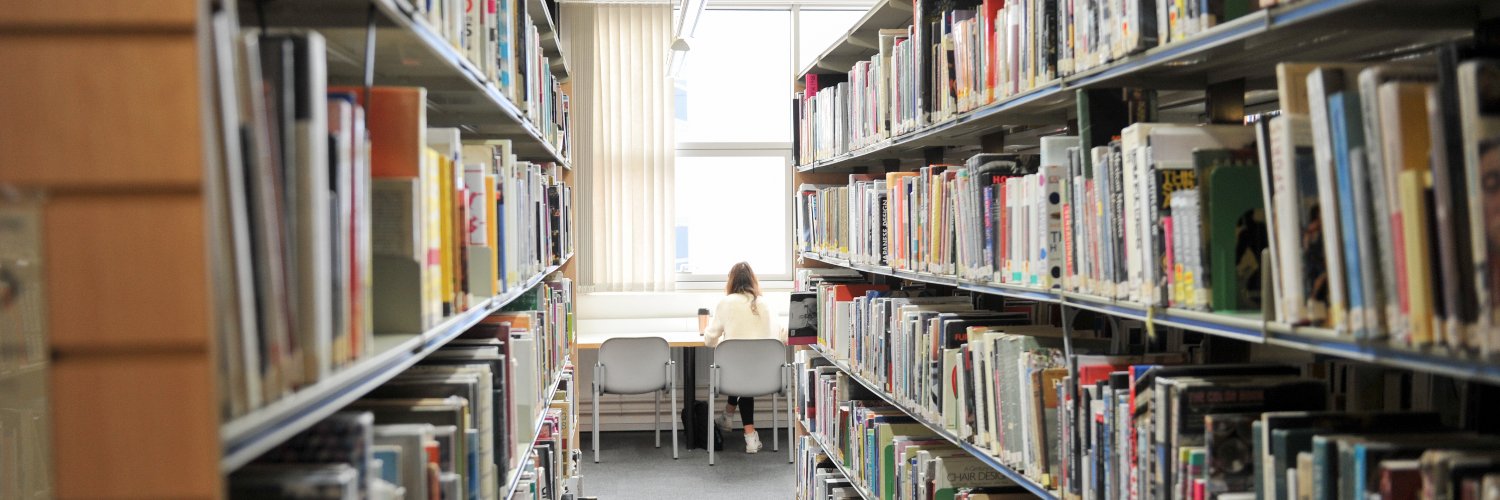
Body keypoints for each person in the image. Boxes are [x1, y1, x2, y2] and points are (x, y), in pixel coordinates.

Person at [702, 262, 784, 453]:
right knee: (745, 364)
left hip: (737, 376)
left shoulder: (726, 303)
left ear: (731, 282)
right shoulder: (767, 303)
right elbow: (781, 336)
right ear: (753, 281)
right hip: (768, 377)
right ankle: (729, 417)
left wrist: (720, 336)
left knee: (739, 367)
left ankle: (747, 434)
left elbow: (709, 340)